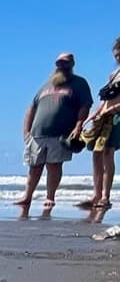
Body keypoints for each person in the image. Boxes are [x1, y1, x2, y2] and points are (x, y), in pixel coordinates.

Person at [15, 51, 92, 218]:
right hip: (37, 134)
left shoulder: (79, 84)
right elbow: (31, 108)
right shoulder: (46, 85)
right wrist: (26, 132)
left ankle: (50, 197)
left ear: (72, 64)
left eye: (66, 63)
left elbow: (85, 106)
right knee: (34, 167)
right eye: (59, 63)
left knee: (54, 165)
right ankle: (27, 197)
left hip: (61, 134)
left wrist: (79, 125)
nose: (62, 66)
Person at [74, 37, 120, 223]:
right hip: (104, 116)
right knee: (96, 153)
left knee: (108, 153)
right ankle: (96, 194)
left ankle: (105, 196)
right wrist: (94, 114)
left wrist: (110, 110)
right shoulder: (114, 74)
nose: (117, 57)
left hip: (117, 117)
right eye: (116, 55)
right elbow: (105, 100)